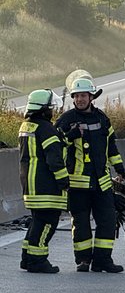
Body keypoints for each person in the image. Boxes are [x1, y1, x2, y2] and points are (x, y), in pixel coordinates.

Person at [55, 77, 125, 273]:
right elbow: (55, 148)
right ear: (73, 98)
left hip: (102, 183)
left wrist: (120, 169)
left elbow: (111, 147)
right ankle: (83, 260)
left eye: (83, 95)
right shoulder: (66, 120)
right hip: (77, 184)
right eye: (77, 96)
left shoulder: (102, 119)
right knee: (81, 223)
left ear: (91, 96)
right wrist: (71, 137)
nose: (80, 99)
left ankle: (103, 260)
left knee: (108, 220)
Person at [18, 89, 69, 273]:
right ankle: (38, 261)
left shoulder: (27, 126)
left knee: (37, 222)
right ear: (43, 109)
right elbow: (54, 158)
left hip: (30, 184)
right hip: (46, 186)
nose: (52, 111)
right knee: (47, 222)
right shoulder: (46, 128)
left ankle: (27, 258)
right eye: (50, 107)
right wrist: (64, 181)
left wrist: (67, 137)